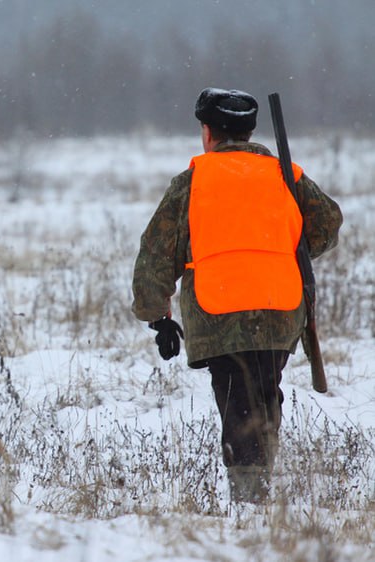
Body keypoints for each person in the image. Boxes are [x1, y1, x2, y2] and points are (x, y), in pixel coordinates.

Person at [131, 87, 343, 503]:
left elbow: (156, 252)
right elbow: (327, 223)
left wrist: (156, 315)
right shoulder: (287, 173)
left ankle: (250, 499)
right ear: (249, 131)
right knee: (264, 392)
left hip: (220, 312)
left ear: (208, 132)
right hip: (281, 310)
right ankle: (259, 486)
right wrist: (287, 250)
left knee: (238, 401)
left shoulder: (193, 181)